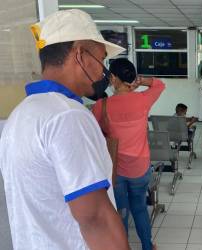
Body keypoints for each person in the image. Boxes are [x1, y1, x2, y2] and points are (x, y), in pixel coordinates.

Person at [0, 9, 129, 249]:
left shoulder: (21, 114)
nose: (103, 70)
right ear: (80, 53)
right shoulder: (67, 116)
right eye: (101, 59)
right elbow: (95, 217)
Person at [92, 58, 165, 250]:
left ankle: (123, 246)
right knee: (140, 207)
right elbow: (159, 84)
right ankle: (147, 246)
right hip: (140, 167)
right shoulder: (143, 99)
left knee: (121, 212)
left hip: (115, 168)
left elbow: (93, 133)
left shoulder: (102, 105)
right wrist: (141, 81)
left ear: (113, 78)